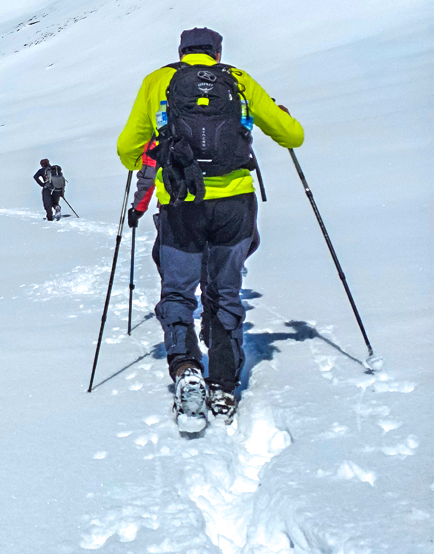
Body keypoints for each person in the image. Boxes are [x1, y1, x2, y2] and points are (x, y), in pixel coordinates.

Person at [117, 27, 303, 428]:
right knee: (224, 291)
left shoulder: (159, 81)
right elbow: (293, 136)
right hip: (235, 202)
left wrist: (153, 157)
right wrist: (280, 117)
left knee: (179, 291)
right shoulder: (238, 80)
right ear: (217, 52)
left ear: (181, 52)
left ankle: (185, 367)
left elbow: (127, 151)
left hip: (180, 204)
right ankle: (223, 384)